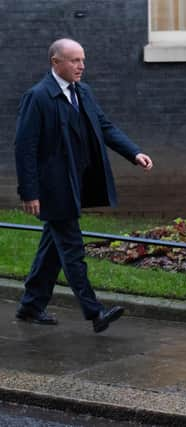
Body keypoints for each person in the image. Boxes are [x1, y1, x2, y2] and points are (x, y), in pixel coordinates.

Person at [14, 38, 153, 333]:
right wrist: (29, 192)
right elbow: (24, 147)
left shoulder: (83, 92)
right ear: (56, 62)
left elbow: (104, 126)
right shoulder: (38, 96)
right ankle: (94, 312)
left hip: (76, 182)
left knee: (53, 247)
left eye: (83, 60)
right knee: (72, 248)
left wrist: (134, 152)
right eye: (75, 60)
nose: (81, 66)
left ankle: (31, 305)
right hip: (54, 188)